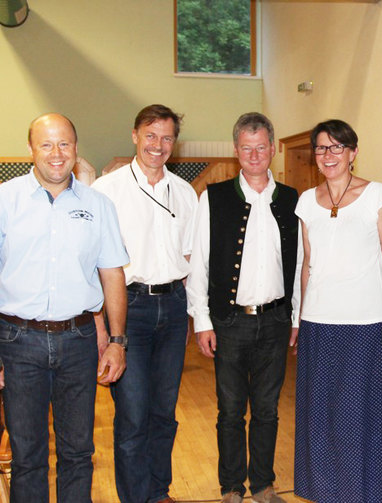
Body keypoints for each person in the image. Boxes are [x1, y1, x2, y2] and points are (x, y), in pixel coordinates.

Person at [0, 113, 128, 502]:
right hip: (18, 341)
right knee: (27, 455)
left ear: (76, 147)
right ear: (30, 149)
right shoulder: (5, 200)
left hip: (78, 341)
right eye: (46, 144)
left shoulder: (99, 205)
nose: (57, 154)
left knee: (78, 452)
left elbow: (112, 276)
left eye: (65, 144)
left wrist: (117, 341)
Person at [186, 112, 298, 503]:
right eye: (246, 147)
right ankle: (232, 488)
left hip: (275, 321)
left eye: (261, 146)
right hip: (230, 322)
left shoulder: (290, 199)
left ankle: (264, 485)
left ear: (272, 148)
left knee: (267, 410)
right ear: (236, 151)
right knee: (231, 411)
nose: (254, 154)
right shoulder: (213, 197)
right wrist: (202, 320)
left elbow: (298, 265)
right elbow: (198, 263)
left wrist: (295, 317)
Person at [289, 119, 382, 502]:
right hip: (318, 323)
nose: (329, 155)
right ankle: (326, 491)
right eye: (322, 148)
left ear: (353, 153)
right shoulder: (306, 201)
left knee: (357, 415)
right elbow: (307, 265)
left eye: (337, 147)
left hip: (367, 323)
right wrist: (298, 320)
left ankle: (364, 491)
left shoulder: (377, 195)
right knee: (319, 415)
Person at [92, 104, 198, 503]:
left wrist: (190, 315)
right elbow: (94, 267)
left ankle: (158, 491)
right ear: (135, 135)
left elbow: (190, 261)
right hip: (127, 310)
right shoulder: (107, 191)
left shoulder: (185, 193)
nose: (158, 145)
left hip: (172, 308)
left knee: (163, 413)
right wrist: (102, 327)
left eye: (167, 137)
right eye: (150, 135)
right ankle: (136, 497)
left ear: (175, 143)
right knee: (133, 414)